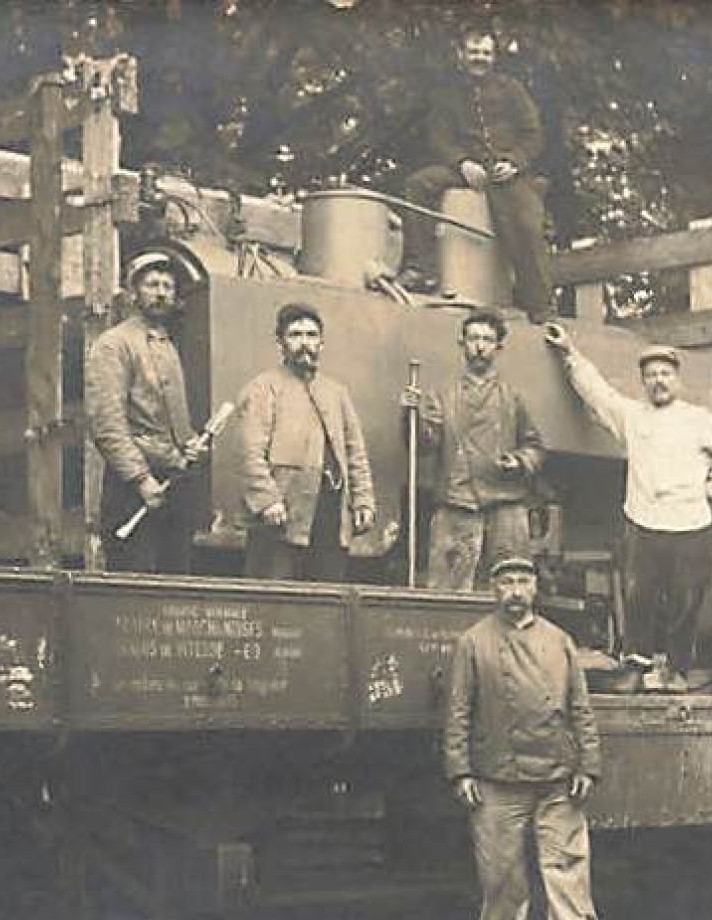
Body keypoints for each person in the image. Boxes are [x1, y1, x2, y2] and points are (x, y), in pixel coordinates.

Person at [545, 326, 712, 693]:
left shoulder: (698, 419)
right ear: (643, 381)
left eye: (665, 374)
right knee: (639, 597)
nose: (659, 381)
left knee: (686, 599)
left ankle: (676, 670)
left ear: (676, 379)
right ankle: (637, 668)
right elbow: (597, 393)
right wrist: (569, 352)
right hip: (643, 520)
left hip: (690, 522)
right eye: (652, 375)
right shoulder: (632, 416)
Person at [443, 556, 615, 920]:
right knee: (501, 871)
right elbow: (458, 712)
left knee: (567, 865)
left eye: (523, 581)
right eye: (506, 582)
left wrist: (588, 765)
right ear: (493, 589)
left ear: (535, 588)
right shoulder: (473, 642)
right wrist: (460, 770)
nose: (515, 590)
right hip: (497, 776)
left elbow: (581, 708)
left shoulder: (559, 641)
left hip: (558, 775)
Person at [397, 27, 554, 322]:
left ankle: (540, 307)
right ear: (460, 55)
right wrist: (462, 163)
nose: (479, 58)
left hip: (507, 174)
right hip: (467, 169)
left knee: (528, 222)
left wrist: (514, 162)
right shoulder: (446, 94)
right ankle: (420, 269)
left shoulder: (513, 90)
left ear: (493, 56)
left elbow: (534, 135)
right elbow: (439, 138)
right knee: (418, 184)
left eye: (485, 53)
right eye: (473, 52)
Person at [404, 309, 546, 590]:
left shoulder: (513, 396)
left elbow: (535, 447)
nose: (480, 346)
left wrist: (519, 461)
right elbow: (423, 444)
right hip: (456, 506)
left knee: (510, 593)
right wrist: (409, 414)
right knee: (448, 597)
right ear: (462, 344)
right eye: (473, 339)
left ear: (498, 347)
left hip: (506, 509)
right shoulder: (442, 395)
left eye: (488, 340)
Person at [237, 302, 375, 581]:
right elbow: (250, 453)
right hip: (281, 514)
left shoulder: (337, 393)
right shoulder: (262, 388)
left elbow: (354, 452)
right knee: (277, 601)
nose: (304, 343)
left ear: (321, 344)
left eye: (311, 335)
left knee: (326, 598)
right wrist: (267, 501)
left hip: (330, 511)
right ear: (280, 342)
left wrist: (363, 502)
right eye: (295, 335)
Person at [86, 250, 205, 573]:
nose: (161, 292)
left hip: (174, 485)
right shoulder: (114, 344)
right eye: (152, 284)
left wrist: (189, 442)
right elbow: (107, 425)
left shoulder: (168, 345)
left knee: (174, 587)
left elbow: (171, 418)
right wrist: (141, 480)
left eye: (168, 286)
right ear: (133, 292)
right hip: (133, 491)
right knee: (134, 598)